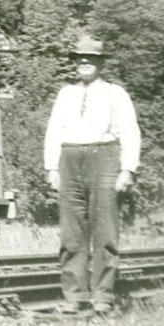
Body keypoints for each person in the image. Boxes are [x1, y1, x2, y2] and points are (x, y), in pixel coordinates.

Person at [43, 36, 141, 315]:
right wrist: (51, 167)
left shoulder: (115, 93)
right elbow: (53, 131)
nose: (84, 63)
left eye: (91, 58)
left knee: (104, 230)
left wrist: (127, 169)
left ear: (101, 62)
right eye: (80, 58)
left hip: (104, 157)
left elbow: (131, 132)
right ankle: (74, 295)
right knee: (71, 232)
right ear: (75, 62)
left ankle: (103, 295)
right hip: (70, 159)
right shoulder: (66, 94)